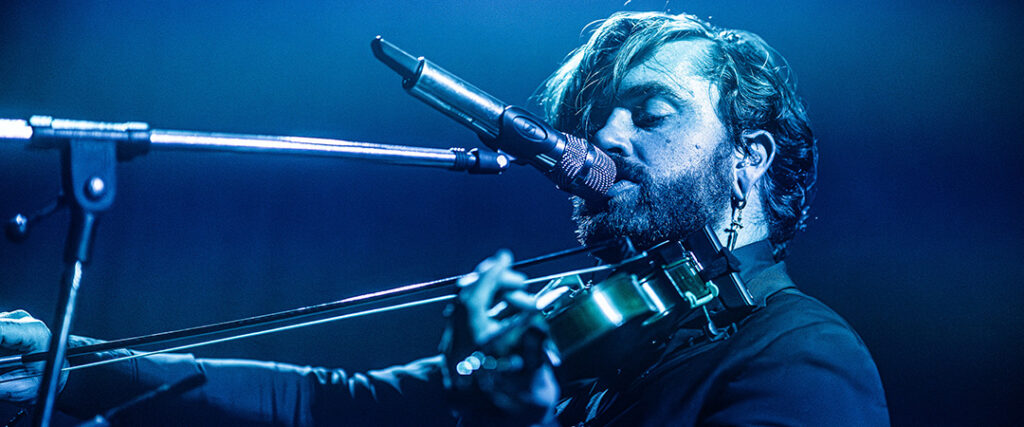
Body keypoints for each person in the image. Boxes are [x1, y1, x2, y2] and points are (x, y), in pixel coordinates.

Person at [0, 11, 888, 426]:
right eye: (599, 116)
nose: (604, 136)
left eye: (651, 112)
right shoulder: (603, 334)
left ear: (750, 159)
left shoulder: (805, 358)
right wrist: (71, 368)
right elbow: (322, 402)